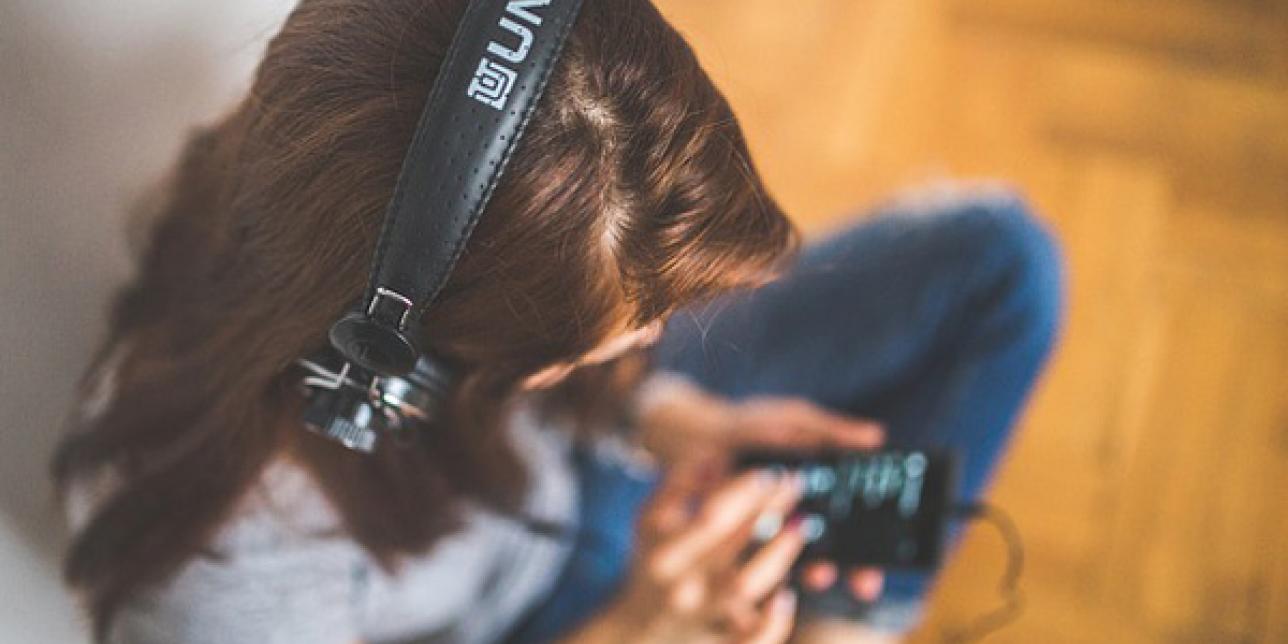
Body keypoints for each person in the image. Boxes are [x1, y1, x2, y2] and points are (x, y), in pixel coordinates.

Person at [52, 1, 1064, 643]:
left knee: (998, 263)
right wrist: (647, 621)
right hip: (551, 609)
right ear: (392, 368)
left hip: (574, 453)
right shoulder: (219, 573)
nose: (652, 340)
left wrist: (658, 418)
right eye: (629, 328)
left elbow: (588, 357)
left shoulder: (343, 182)